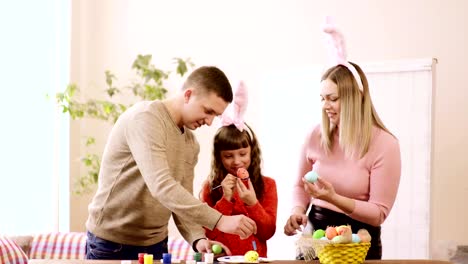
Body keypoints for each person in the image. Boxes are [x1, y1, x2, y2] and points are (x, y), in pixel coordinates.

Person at [85, 66, 257, 260]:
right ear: (188, 95)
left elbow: (180, 197)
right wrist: (220, 220)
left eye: (214, 116)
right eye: (208, 111)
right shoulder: (146, 119)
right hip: (111, 243)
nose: (209, 122)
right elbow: (162, 186)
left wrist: (198, 239)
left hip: (156, 243)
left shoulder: (191, 143)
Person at [283, 21, 401, 260]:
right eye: (322, 98)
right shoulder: (315, 135)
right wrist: (297, 210)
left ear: (355, 98)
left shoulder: (385, 144)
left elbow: (378, 213)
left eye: (332, 98)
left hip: (359, 243)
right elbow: (299, 185)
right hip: (315, 240)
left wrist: (333, 197)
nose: (325, 106)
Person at [200, 82, 278, 257]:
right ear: (219, 157)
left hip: (254, 260)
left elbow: (268, 232)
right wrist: (226, 199)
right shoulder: (210, 187)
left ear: (252, 151)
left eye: (242, 154)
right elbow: (207, 234)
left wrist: (252, 203)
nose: (237, 162)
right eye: (228, 156)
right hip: (220, 260)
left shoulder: (267, 185)